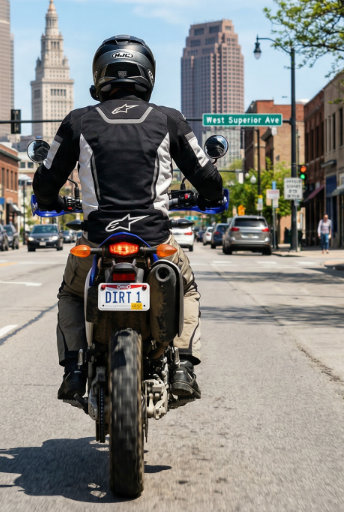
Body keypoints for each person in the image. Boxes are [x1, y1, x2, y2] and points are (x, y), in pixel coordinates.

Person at [32, 35, 224, 405]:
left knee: (71, 291)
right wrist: (211, 198)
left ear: (99, 76)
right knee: (186, 289)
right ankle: (182, 364)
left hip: (98, 242)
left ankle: (74, 367)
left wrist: (50, 201)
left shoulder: (78, 121)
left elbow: (45, 181)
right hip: (155, 243)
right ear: (147, 75)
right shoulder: (170, 119)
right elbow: (206, 176)